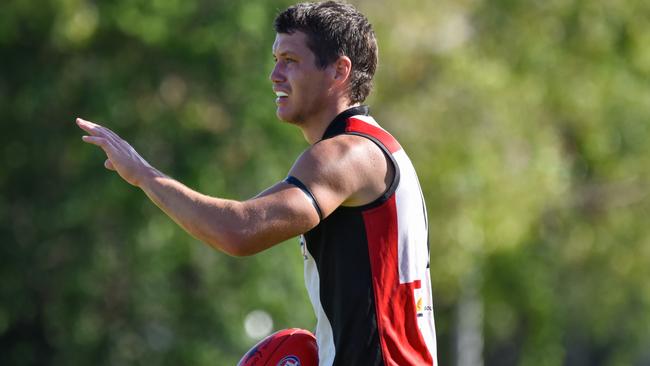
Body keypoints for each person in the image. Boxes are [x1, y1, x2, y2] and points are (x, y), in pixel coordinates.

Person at [76, 1, 437, 365]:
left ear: (339, 71)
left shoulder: (347, 154)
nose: (275, 75)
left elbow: (240, 230)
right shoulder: (372, 147)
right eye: (275, 59)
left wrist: (143, 175)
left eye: (291, 61)